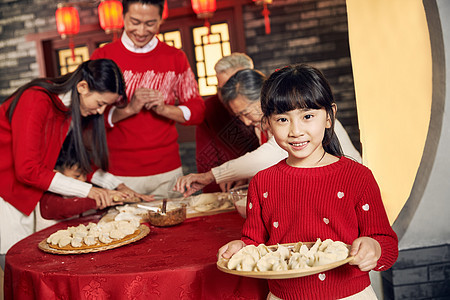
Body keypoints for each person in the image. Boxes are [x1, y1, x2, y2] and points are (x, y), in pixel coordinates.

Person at [217, 64, 398, 299]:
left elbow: (387, 243)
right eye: (282, 119)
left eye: (308, 116)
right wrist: (241, 249)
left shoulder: (357, 176)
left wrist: (375, 248)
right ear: (268, 124)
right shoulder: (263, 182)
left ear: (329, 117)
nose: (295, 131)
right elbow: (255, 242)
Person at [0, 59, 148, 269]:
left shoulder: (68, 109)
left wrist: (116, 185)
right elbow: (28, 170)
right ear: (82, 87)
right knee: (16, 270)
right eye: (100, 104)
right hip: (6, 197)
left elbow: (74, 158)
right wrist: (90, 192)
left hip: (25, 197)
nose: (100, 112)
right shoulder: (36, 99)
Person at [174, 69, 362, 197]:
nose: (246, 121)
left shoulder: (294, 117)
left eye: (247, 112)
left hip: (346, 187)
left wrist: (209, 176)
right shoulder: (265, 125)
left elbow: (267, 156)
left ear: (263, 97)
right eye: (240, 116)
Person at [91, 0, 205, 199]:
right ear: (123, 17)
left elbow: (197, 111)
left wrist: (164, 109)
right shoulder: (102, 56)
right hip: (119, 174)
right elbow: (87, 114)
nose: (142, 31)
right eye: (135, 22)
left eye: (150, 23)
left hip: (167, 172)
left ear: (161, 20)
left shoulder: (175, 57)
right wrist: (129, 109)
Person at [196, 53, 259, 193]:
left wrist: (246, 175)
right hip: (226, 189)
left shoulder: (267, 106)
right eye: (222, 89)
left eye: (234, 85)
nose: (227, 95)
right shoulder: (210, 109)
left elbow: (270, 154)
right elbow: (205, 160)